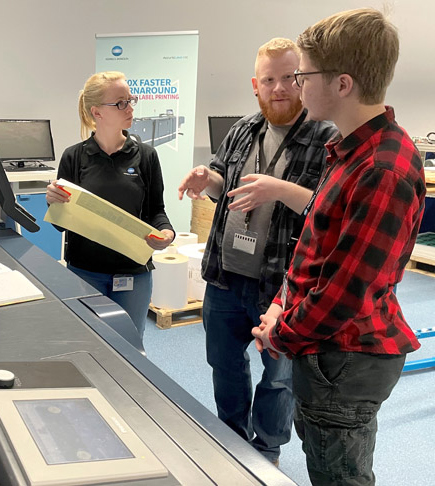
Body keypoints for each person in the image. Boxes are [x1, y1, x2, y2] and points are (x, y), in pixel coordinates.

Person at [252, 9, 425, 485]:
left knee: (339, 476)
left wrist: (281, 334)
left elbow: (347, 291)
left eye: (303, 75)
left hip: (346, 357)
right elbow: (315, 248)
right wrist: (280, 304)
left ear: (343, 83)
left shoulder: (382, 170)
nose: (296, 86)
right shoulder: (349, 149)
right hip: (322, 348)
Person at [177, 38, 336, 465]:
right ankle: (230, 441)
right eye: (270, 79)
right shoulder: (243, 129)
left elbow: (329, 210)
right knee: (224, 365)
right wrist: (204, 178)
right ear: (256, 84)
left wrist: (277, 189)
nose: (280, 87)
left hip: (281, 283)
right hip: (227, 277)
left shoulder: (326, 135)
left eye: (289, 77)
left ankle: (266, 451)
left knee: (279, 376)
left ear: (302, 79)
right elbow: (222, 183)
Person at [46, 71, 175, 343]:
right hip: (84, 272)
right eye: (120, 103)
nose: (129, 108)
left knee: (130, 345)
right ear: (97, 112)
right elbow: (61, 224)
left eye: (130, 100)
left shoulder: (147, 156)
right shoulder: (74, 157)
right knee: (87, 343)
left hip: (134, 273)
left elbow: (156, 211)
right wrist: (54, 202)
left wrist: (166, 233)